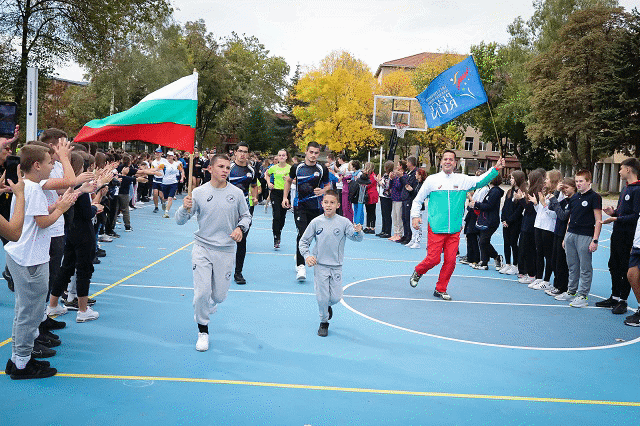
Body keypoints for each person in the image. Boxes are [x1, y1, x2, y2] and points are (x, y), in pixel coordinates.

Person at [4, 145, 77, 379]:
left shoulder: (28, 187)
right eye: (49, 163)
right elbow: (43, 222)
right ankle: (22, 363)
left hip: (26, 256)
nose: (52, 166)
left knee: (26, 311)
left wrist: (58, 204)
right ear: (36, 165)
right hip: (30, 259)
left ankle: (19, 357)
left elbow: (37, 214)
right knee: (31, 313)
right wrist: (62, 209)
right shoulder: (33, 188)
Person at [175, 154, 251, 352]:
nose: (225, 170)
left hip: (225, 250)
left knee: (219, 296)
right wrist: (184, 208)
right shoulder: (199, 193)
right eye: (221, 166)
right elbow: (180, 220)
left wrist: (240, 229)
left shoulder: (236, 193)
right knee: (201, 293)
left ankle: (208, 304)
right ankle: (203, 331)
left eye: (227, 167)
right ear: (210, 169)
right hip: (202, 247)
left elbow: (246, 216)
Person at [408, 151, 505, 300]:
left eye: (451, 160)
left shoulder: (462, 179)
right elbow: (417, 200)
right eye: (445, 159)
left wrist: (496, 169)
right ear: (441, 162)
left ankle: (440, 288)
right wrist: (415, 216)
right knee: (433, 259)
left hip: (454, 229)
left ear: (455, 163)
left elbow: (480, 181)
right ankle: (418, 271)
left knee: (451, 261)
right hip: (436, 227)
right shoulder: (432, 180)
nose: (448, 162)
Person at [299, 190, 363, 337]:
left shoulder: (344, 222)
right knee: (322, 297)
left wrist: (358, 232)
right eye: (326, 202)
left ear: (338, 205)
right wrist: (307, 256)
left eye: (332, 203)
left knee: (335, 298)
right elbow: (303, 242)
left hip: (336, 266)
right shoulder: (316, 222)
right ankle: (324, 322)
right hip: (320, 265)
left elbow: (356, 238)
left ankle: (327, 306)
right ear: (322, 204)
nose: (328, 205)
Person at [597, 158, 640, 314]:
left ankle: (623, 300)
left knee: (624, 267)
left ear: (629, 169)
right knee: (613, 265)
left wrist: (616, 218)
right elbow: (624, 213)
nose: (619, 171)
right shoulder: (625, 188)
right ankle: (614, 296)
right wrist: (614, 213)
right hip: (617, 234)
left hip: (628, 236)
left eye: (621, 168)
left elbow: (636, 216)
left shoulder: (637, 190)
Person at [282, 142, 330, 281]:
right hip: (299, 205)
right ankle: (301, 266)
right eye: (311, 152)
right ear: (306, 152)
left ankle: (303, 255)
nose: (313, 155)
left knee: (317, 236)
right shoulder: (297, 168)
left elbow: (328, 185)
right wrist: (285, 197)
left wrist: (322, 191)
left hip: (316, 206)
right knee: (302, 234)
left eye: (316, 153)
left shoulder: (322, 169)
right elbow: (289, 181)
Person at [554, 170, 602, 308]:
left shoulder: (595, 197)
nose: (578, 184)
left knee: (585, 267)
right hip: (571, 235)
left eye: (581, 181)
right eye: (576, 181)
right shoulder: (574, 198)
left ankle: (583, 295)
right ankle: (571, 291)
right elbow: (570, 219)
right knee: (572, 265)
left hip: (585, 235)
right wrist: (565, 237)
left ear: (588, 181)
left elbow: (598, 220)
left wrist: (595, 239)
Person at [228, 142, 258, 285]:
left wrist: (255, 196)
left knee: (242, 240)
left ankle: (238, 272)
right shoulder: (229, 168)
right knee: (224, 239)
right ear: (235, 152)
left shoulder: (251, 170)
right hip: (227, 208)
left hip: (245, 208)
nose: (242, 154)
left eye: (245, 152)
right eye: (240, 151)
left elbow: (253, 186)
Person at [545, 177, 575, 297]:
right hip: (557, 233)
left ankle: (563, 287)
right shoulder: (564, 200)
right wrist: (556, 193)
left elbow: (562, 216)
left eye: (566, 188)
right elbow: (551, 207)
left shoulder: (573, 202)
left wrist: (554, 200)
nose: (565, 191)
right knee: (555, 260)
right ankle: (557, 284)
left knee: (562, 262)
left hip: (565, 234)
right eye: (563, 189)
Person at [471, 174, 504, 270]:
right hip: (487, 219)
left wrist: (477, 204)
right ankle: (485, 261)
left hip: (491, 220)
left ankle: (493, 257)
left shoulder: (495, 192)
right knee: (483, 240)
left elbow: (489, 205)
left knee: (483, 241)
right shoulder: (492, 190)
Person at [498, 171, 526, 275]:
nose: (511, 180)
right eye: (511, 178)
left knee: (514, 243)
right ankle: (508, 263)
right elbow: (505, 207)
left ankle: (515, 264)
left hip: (515, 222)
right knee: (506, 243)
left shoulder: (521, 192)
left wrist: (509, 221)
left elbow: (519, 210)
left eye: (513, 178)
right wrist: (503, 219)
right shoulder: (509, 191)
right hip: (506, 222)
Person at [265, 149, 291, 250]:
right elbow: (266, 174)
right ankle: (276, 237)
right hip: (275, 192)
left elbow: (295, 179)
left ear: (286, 157)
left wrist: (289, 180)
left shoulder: (290, 168)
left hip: (285, 193)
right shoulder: (273, 168)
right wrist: (268, 183)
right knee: (276, 215)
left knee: (282, 216)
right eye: (279, 155)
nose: (281, 157)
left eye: (283, 155)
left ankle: (279, 231)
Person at [399, 157, 418, 245]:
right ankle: (406, 235)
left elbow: (408, 184)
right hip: (405, 197)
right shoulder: (409, 173)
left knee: (407, 218)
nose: (406, 164)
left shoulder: (414, 173)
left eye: (407, 162)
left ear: (411, 163)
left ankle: (409, 236)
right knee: (404, 217)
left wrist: (402, 177)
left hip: (409, 198)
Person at [407, 168, 427, 249]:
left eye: (416, 174)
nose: (415, 175)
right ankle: (413, 239)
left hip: (420, 207)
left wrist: (412, 191)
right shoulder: (417, 183)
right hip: (414, 206)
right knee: (412, 224)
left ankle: (417, 241)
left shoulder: (423, 185)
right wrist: (411, 190)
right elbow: (415, 194)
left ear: (419, 175)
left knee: (418, 225)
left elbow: (421, 196)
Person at [161, 151, 184, 218]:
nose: (169, 157)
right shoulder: (164, 164)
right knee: (165, 198)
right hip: (165, 183)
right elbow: (156, 169)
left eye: (170, 156)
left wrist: (182, 178)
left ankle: (166, 212)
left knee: (170, 198)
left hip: (173, 183)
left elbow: (182, 170)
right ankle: (164, 203)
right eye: (168, 156)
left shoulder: (177, 164)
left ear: (173, 157)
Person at [375, 161, 394, 239]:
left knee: (387, 214)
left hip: (387, 196)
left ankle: (387, 231)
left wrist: (379, 181)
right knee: (383, 213)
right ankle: (383, 230)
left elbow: (386, 186)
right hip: (383, 196)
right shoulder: (385, 175)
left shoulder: (389, 176)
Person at [363, 162, 378, 234]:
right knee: (368, 211)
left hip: (372, 194)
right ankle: (368, 226)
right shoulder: (367, 175)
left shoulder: (373, 175)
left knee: (372, 211)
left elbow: (369, 184)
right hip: (368, 194)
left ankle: (372, 227)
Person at [151, 148, 168, 213]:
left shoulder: (164, 161)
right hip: (155, 180)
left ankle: (163, 202)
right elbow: (152, 170)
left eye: (159, 153)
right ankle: (156, 207)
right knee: (155, 193)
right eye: (156, 153)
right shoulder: (153, 162)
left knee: (161, 196)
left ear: (161, 153)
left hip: (162, 180)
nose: (157, 154)